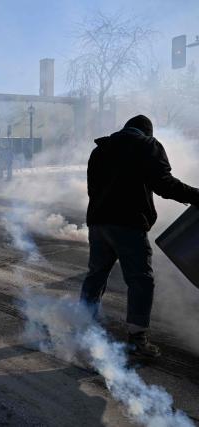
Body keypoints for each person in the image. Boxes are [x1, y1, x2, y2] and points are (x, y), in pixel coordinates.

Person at [81, 114, 199, 357]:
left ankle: (84, 325)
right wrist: (197, 195)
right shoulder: (147, 145)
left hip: (98, 223)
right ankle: (137, 340)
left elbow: (92, 189)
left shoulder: (100, 150)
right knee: (140, 280)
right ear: (147, 132)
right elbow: (165, 185)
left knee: (96, 275)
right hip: (128, 223)